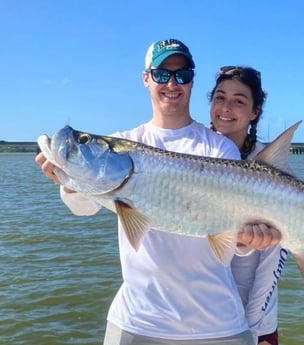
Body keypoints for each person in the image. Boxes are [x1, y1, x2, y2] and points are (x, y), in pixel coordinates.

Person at [35, 39, 281, 345]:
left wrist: (249, 241)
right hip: (137, 321)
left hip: (217, 324)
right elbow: (83, 206)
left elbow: (229, 234)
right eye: (162, 74)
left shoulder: (219, 148)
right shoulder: (122, 141)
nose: (172, 83)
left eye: (182, 75)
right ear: (146, 78)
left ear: (192, 80)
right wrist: (68, 181)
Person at [209, 66, 285, 345]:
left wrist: (252, 330)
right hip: (199, 317)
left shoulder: (268, 167)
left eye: (239, 101)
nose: (226, 108)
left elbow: (273, 262)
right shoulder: (189, 154)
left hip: (255, 319)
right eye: (219, 97)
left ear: (255, 111)